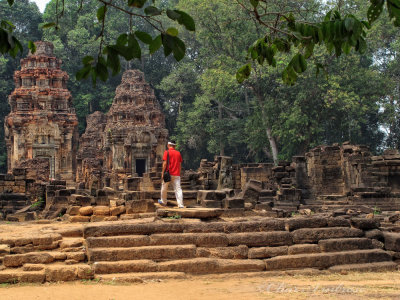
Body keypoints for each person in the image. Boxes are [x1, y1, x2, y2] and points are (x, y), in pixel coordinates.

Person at [158, 140, 184, 208]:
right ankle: (180, 204)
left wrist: (162, 173)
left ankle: (163, 201)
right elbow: (180, 164)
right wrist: (179, 173)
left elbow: (165, 163)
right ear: (175, 146)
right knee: (178, 189)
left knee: (164, 187)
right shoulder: (178, 153)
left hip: (168, 173)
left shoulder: (167, 152)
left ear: (168, 145)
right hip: (177, 174)